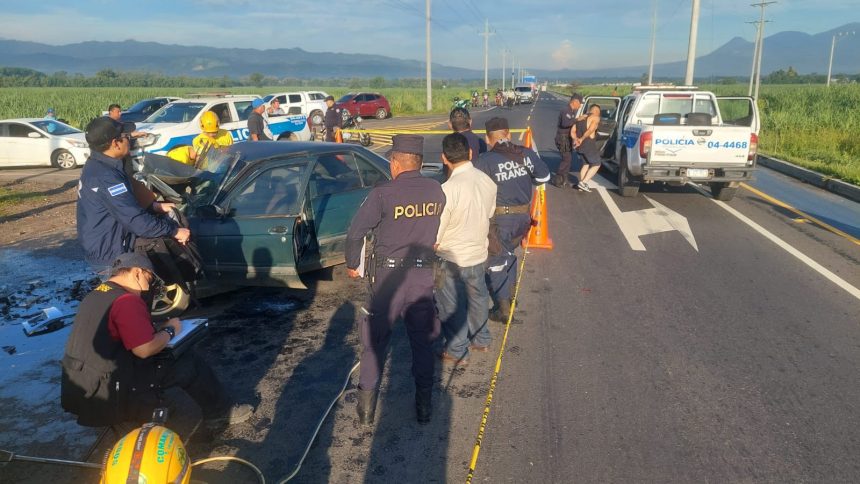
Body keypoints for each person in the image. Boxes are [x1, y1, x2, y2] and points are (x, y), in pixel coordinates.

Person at [60, 252, 252, 429]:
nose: (150, 284)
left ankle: (159, 404)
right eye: (150, 277)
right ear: (137, 273)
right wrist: (170, 330)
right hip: (111, 390)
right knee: (188, 363)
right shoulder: (127, 300)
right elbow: (144, 350)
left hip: (82, 386)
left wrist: (155, 328)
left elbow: (113, 333)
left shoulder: (98, 293)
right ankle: (220, 412)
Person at [345, 134, 445, 425]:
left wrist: (353, 264)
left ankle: (366, 412)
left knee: (374, 342)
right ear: (420, 162)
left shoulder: (383, 193)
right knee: (423, 343)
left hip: (388, 279)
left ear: (394, 163)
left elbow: (355, 232)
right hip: (422, 276)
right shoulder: (436, 190)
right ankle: (424, 408)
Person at [77, 117, 190, 272]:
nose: (129, 140)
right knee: (133, 293)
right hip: (112, 255)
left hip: (102, 245)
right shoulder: (107, 176)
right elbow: (137, 221)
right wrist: (175, 231)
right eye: (126, 137)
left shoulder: (98, 165)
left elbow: (120, 204)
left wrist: (155, 206)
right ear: (115, 143)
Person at [474, 117, 550, 323]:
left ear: (488, 138)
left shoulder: (485, 161)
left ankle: (503, 308)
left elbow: (475, 190)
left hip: (500, 220)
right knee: (510, 255)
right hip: (523, 219)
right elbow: (543, 177)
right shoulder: (525, 154)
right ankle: (511, 296)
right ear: (508, 134)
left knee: (497, 260)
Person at [435, 133, 497, 366]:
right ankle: (481, 339)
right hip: (478, 254)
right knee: (478, 297)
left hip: (451, 257)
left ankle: (457, 349)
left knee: (451, 305)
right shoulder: (486, 181)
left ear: (444, 158)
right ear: (470, 153)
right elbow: (490, 213)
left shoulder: (447, 190)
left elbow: (437, 233)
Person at [168, 111, 234, 165]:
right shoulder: (198, 140)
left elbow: (232, 150)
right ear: (202, 128)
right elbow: (200, 160)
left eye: (214, 132)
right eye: (208, 133)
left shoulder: (225, 134)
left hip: (226, 164)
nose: (211, 135)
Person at [552, 93, 584, 188]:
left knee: (568, 159)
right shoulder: (566, 110)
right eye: (580, 104)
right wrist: (577, 119)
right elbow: (565, 123)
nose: (580, 106)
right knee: (566, 159)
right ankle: (557, 179)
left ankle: (564, 179)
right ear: (575, 102)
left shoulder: (571, 111)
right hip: (562, 138)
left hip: (567, 138)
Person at [575, 104, 603, 192]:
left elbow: (573, 130)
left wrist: (576, 140)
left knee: (586, 164)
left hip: (580, 146)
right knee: (597, 164)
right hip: (588, 144)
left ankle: (581, 184)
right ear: (596, 111)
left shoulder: (580, 118)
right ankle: (583, 183)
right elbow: (591, 129)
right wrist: (582, 138)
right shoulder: (595, 118)